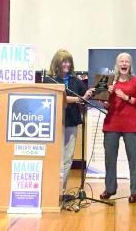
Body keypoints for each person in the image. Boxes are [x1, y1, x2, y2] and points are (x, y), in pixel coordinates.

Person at [99, 52, 136, 203]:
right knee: (110, 158)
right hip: (112, 123)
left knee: (133, 159)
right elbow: (104, 103)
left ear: (130, 65)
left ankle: (135, 191)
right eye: (121, 61)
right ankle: (110, 189)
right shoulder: (107, 81)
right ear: (117, 64)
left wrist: (127, 98)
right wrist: (107, 95)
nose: (124, 64)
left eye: (127, 61)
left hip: (131, 125)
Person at [46, 49, 93, 193]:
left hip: (71, 121)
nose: (67, 64)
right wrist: (79, 98)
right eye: (63, 61)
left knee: (68, 157)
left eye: (68, 62)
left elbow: (85, 96)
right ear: (57, 63)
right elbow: (60, 98)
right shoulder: (49, 80)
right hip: (54, 123)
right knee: (55, 156)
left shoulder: (75, 80)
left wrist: (90, 92)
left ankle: (62, 191)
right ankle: (51, 190)